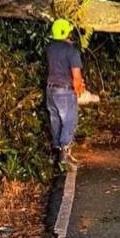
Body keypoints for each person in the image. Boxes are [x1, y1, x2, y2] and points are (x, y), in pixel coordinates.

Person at [46, 18, 86, 165]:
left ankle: (55, 153)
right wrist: (80, 90)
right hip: (64, 91)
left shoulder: (50, 48)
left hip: (50, 90)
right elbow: (76, 76)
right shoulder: (72, 51)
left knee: (55, 120)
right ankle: (64, 153)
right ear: (66, 33)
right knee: (69, 121)